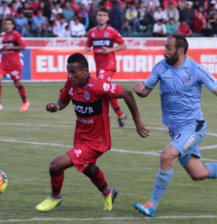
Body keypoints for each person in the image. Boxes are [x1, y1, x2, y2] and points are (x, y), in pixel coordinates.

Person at [35, 52, 149, 212]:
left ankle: (55, 197)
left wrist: (138, 122)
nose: (70, 75)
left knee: (55, 165)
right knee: (89, 169)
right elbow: (63, 100)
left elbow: (126, 93)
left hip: (97, 142)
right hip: (81, 137)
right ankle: (108, 192)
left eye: (73, 72)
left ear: (85, 71)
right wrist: (56, 107)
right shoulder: (71, 83)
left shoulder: (98, 86)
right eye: (68, 71)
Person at [132, 33, 217, 217]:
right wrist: (140, 89)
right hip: (175, 131)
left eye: (168, 47)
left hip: (193, 126)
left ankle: (152, 204)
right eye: (165, 47)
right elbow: (146, 92)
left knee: (167, 156)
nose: (164, 51)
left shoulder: (195, 69)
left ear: (180, 51)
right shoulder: (160, 67)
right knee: (198, 173)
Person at [84, 7, 127, 127]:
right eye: (99, 15)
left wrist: (110, 49)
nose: (101, 17)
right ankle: (121, 114)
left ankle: (104, 113)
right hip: (99, 67)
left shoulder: (112, 32)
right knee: (106, 91)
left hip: (109, 65)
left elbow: (124, 45)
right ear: (96, 17)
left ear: (107, 18)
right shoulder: (91, 32)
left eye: (104, 15)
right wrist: (87, 49)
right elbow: (88, 46)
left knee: (101, 88)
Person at [0, 18, 30, 111]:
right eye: (6, 24)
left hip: (14, 65)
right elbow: (3, 49)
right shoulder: (3, 36)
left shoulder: (16, 35)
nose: (7, 26)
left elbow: (23, 47)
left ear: (13, 25)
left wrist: (10, 47)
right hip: (3, 64)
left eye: (9, 24)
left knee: (17, 84)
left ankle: (25, 102)